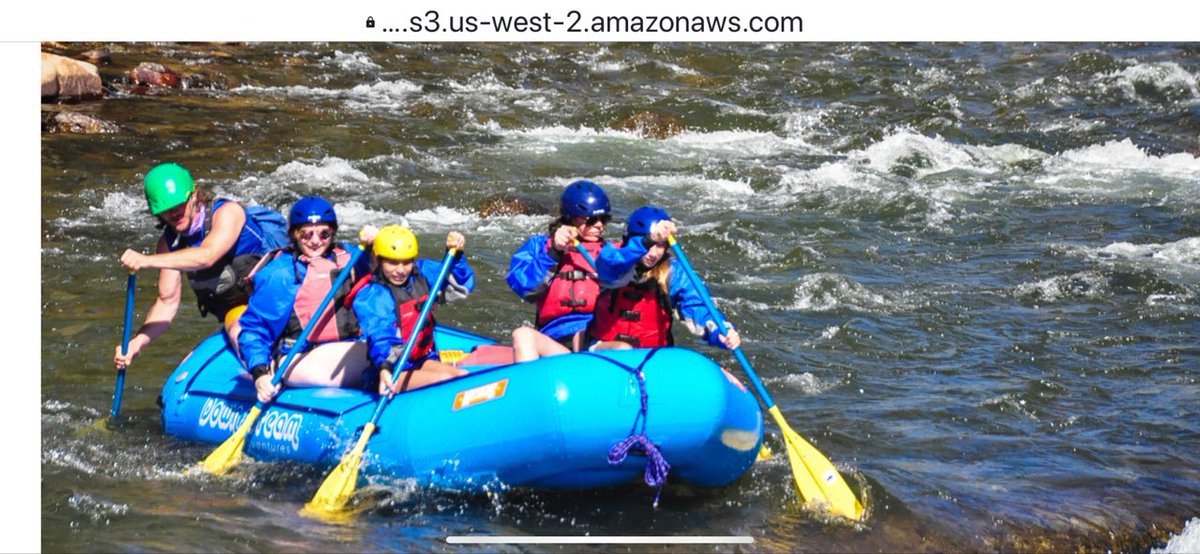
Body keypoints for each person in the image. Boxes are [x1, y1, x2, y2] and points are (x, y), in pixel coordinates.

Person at [115, 163, 287, 370]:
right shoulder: (168, 244)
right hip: (241, 310)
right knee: (236, 333)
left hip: (279, 297)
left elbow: (207, 256)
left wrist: (147, 260)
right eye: (165, 210)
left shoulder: (227, 213)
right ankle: (262, 373)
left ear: (194, 195)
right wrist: (137, 342)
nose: (174, 213)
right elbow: (167, 303)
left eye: (179, 204)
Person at [237, 196, 374, 403]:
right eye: (306, 234)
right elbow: (256, 329)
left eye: (324, 233)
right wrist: (260, 374)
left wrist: (376, 247)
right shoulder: (280, 274)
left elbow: (393, 276)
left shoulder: (352, 256)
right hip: (300, 357)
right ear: (294, 235)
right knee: (386, 357)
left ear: (333, 232)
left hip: (349, 346)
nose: (316, 241)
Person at [587, 206, 741, 352]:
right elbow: (611, 265)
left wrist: (720, 331)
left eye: (660, 246)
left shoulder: (674, 273)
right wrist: (649, 240)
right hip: (605, 350)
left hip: (653, 355)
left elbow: (697, 306)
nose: (653, 253)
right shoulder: (612, 257)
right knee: (623, 349)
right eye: (651, 245)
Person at [351, 225, 474, 393]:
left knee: (463, 377)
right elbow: (380, 333)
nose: (401, 270)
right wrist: (385, 366)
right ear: (378, 260)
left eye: (407, 262)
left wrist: (456, 257)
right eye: (392, 263)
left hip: (421, 360)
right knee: (443, 382)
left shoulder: (422, 275)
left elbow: (461, 285)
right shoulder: (374, 295)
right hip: (392, 368)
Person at [507, 180, 614, 361]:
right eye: (591, 220)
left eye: (604, 219)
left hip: (594, 337)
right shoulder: (539, 246)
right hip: (554, 342)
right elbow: (525, 287)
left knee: (589, 336)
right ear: (570, 217)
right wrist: (554, 252)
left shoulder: (613, 253)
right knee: (522, 335)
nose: (599, 225)